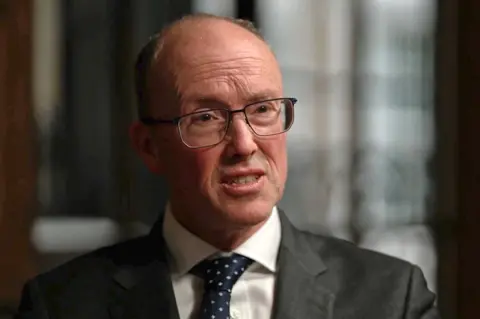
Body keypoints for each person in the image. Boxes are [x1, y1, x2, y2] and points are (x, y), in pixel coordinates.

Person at [15, 14, 439, 319]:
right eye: (206, 118)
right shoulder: (60, 305)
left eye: (263, 110)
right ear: (149, 147)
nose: (244, 144)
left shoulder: (390, 297)